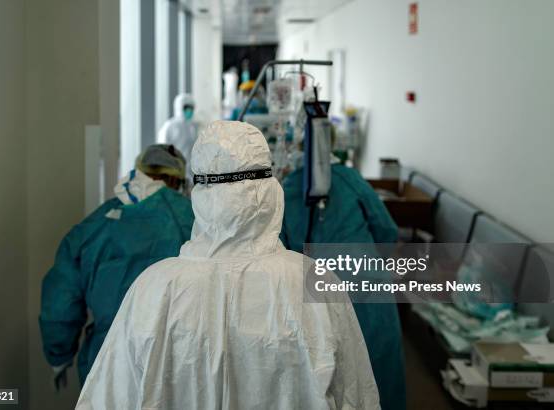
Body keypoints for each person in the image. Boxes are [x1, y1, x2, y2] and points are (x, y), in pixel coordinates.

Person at [76, 121, 380, 409]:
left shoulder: (154, 288)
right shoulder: (313, 281)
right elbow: (357, 397)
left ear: (200, 194)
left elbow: (107, 398)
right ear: (271, 192)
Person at [39, 144, 194, 388]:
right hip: (179, 364)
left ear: (139, 171)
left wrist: (60, 355)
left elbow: (60, 299)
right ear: (178, 181)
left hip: (109, 364)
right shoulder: (191, 218)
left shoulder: (98, 223)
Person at [280, 163, 406, 410]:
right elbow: (386, 230)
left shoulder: (284, 191)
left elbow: (282, 254)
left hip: (318, 293)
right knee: (380, 371)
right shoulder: (349, 178)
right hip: (368, 286)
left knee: (330, 378)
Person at [157, 93, 198, 178]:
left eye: (191, 108)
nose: (189, 111)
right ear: (179, 107)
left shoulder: (191, 127)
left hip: (189, 171)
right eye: (186, 108)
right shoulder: (169, 126)